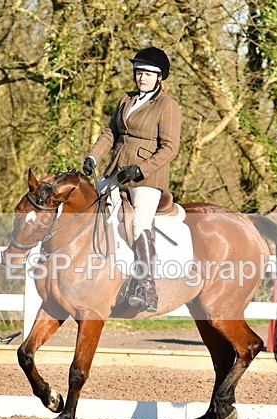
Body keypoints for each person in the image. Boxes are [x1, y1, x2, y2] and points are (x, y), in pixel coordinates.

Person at [82, 46, 182, 313]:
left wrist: (141, 169)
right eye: (138, 72)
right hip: (116, 170)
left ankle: (146, 287)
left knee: (139, 222)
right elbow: (110, 132)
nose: (141, 78)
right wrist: (93, 156)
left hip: (147, 178)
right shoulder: (126, 99)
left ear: (159, 77)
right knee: (89, 206)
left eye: (147, 74)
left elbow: (170, 148)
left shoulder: (167, 105)